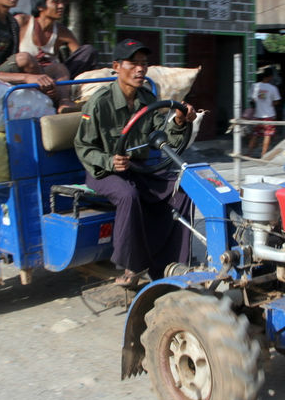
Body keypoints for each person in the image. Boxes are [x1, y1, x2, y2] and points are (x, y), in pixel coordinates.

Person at [73, 39, 198, 289]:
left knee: (183, 188)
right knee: (128, 195)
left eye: (144, 64)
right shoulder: (99, 102)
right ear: (117, 66)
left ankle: (172, 263)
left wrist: (180, 122)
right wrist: (109, 160)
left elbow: (162, 136)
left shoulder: (147, 98)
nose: (140, 69)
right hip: (102, 173)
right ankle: (131, 266)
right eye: (133, 64)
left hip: (136, 170)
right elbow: (83, 147)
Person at [16, 0, 100, 80]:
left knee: (89, 51)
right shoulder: (22, 22)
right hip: (25, 76)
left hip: (54, 77)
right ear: (40, 6)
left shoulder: (62, 32)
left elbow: (81, 57)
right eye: (56, 2)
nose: (61, 6)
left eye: (62, 2)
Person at [246, 67, 282, 157]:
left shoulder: (255, 86)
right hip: (269, 115)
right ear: (270, 77)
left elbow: (253, 100)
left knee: (255, 134)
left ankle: (249, 153)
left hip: (258, 115)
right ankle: (263, 154)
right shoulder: (273, 88)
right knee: (267, 135)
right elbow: (277, 101)